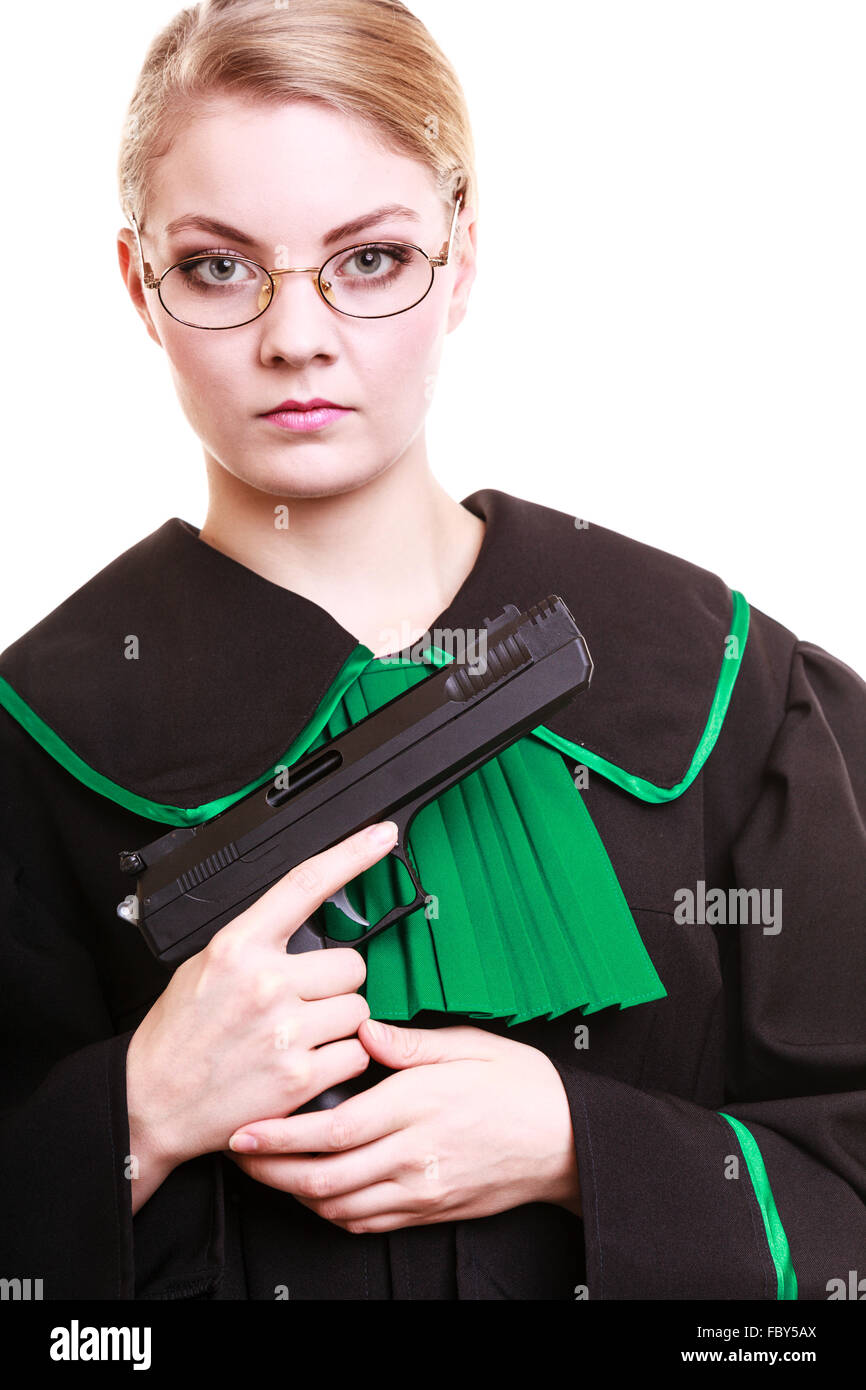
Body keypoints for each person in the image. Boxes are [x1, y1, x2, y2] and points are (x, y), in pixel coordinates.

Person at [1, 0, 864, 1302]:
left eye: (370, 257)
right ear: (139, 285)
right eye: (220, 265)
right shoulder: (36, 734)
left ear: (461, 263)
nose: (296, 336)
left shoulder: (724, 679)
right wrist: (137, 1112)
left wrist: (589, 1148)